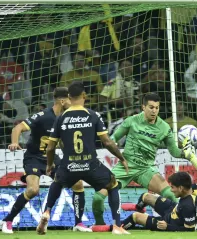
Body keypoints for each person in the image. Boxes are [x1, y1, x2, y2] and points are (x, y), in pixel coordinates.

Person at [36, 81, 130, 235]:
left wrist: (49, 165)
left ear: (68, 97)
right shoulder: (92, 115)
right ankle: (117, 226)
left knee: (58, 182)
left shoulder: (60, 118)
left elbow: (51, 147)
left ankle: (47, 211)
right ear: (84, 96)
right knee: (113, 184)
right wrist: (121, 158)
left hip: (69, 164)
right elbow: (107, 142)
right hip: (90, 164)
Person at [0, 87, 90, 233]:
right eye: (70, 99)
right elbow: (17, 128)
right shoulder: (43, 116)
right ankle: (7, 221)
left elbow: (60, 141)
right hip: (34, 157)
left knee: (78, 184)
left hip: (52, 157)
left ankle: (79, 224)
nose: (72, 103)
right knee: (33, 190)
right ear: (62, 101)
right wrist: (15, 142)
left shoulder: (66, 118)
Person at [92, 93, 185, 226]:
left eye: (157, 108)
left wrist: (186, 153)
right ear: (143, 107)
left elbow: (175, 152)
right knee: (97, 198)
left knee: (170, 195)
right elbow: (112, 140)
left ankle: (175, 224)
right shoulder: (131, 121)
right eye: (151, 107)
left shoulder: (164, 127)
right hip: (125, 167)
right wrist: (120, 156)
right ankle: (100, 225)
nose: (154, 111)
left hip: (145, 169)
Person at [94, 173, 197, 232]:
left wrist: (167, 227)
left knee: (135, 217)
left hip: (168, 222)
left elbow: (189, 230)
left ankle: (112, 228)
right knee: (146, 196)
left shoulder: (188, 206)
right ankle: (138, 207)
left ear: (181, 188)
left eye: (173, 187)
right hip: (174, 208)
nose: (171, 190)